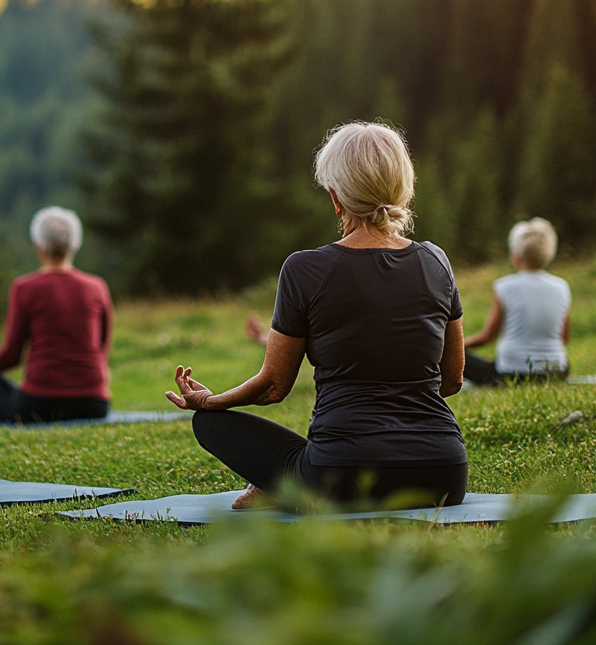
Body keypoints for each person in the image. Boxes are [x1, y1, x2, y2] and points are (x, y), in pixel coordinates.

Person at [166, 122, 468, 510]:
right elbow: (452, 379)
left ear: (336, 197)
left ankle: (276, 488)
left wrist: (210, 402)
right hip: (442, 475)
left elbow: (274, 387)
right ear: (402, 188)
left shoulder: (305, 269)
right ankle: (280, 485)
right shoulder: (435, 260)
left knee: (211, 425)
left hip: (341, 476)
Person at [0, 206, 113, 423]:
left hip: (40, 404)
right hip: (94, 403)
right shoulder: (97, 287)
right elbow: (102, 349)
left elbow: (13, 354)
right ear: (75, 243)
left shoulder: (24, 288)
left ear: (38, 246)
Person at [464, 218, 570, 385]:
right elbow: (563, 338)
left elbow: (487, 337)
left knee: (456, 358)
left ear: (516, 254)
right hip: (556, 371)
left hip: (511, 374)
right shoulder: (561, 286)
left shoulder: (505, 286)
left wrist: (458, 345)